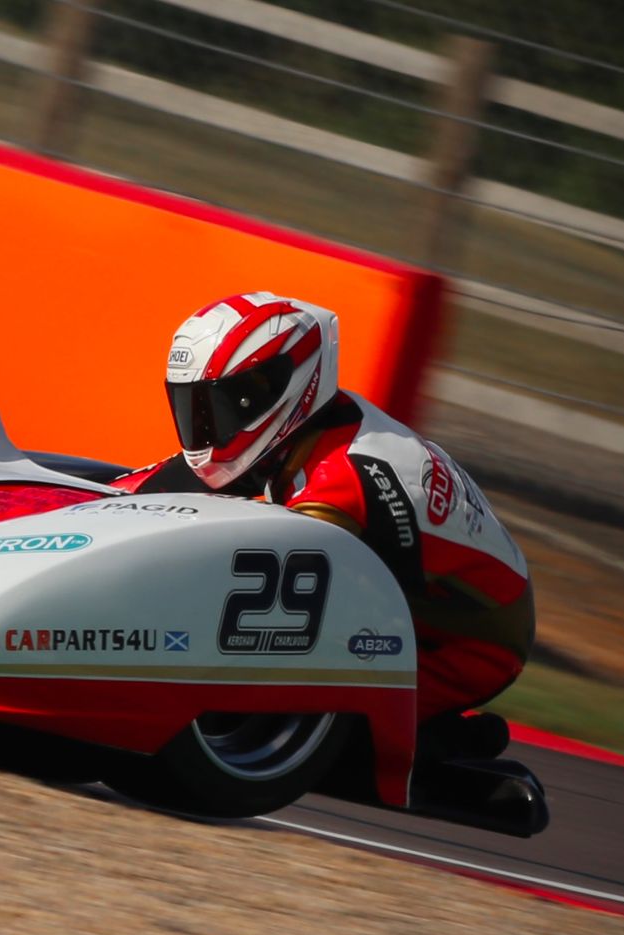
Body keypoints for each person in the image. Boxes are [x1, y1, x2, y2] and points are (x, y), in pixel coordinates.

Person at [113, 291, 533, 756]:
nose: (205, 426)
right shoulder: (304, 427)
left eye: (223, 407)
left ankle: (439, 741)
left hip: (462, 635)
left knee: (268, 723)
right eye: (195, 409)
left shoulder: (342, 480)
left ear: (276, 389)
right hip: (407, 591)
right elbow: (152, 488)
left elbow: (259, 582)